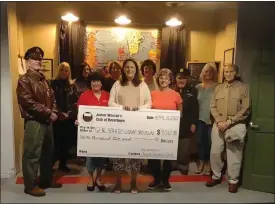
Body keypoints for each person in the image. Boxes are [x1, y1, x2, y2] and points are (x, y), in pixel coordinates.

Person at [16, 47, 62, 197]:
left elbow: (52, 98)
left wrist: (54, 111)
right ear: (27, 61)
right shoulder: (24, 80)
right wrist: (49, 113)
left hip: (47, 121)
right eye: (35, 59)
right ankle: (30, 186)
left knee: (48, 152)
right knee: (32, 154)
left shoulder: (44, 80)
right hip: (35, 121)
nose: (38, 61)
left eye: (39, 59)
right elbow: (28, 102)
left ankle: (45, 180)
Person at [108, 58, 151, 194]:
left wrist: (140, 108)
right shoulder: (117, 84)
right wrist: (122, 107)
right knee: (118, 156)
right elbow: (110, 102)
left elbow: (149, 102)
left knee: (135, 156)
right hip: (120, 124)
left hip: (137, 124)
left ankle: (133, 183)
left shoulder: (142, 85)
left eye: (132, 67)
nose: (129, 70)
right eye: (127, 67)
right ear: (123, 69)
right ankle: (118, 183)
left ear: (136, 69)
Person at [206, 64, 250, 193]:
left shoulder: (243, 88)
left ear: (236, 73)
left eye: (231, 72)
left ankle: (233, 181)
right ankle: (216, 176)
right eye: (226, 72)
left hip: (235, 124)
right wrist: (219, 121)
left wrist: (230, 121)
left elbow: (246, 108)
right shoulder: (218, 88)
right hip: (219, 124)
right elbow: (212, 106)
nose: (228, 74)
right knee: (215, 152)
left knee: (234, 154)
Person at [148, 68, 183, 191]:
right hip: (154, 129)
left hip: (169, 131)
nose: (163, 80)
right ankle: (156, 179)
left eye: (166, 78)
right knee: (153, 156)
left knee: (168, 157)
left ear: (170, 80)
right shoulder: (152, 94)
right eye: (161, 78)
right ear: (158, 79)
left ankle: (166, 180)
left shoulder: (176, 95)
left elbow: (180, 113)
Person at [77, 72, 109, 192]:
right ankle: (90, 178)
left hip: (104, 132)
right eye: (93, 81)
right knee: (90, 157)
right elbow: (80, 114)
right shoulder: (84, 96)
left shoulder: (107, 95)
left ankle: (99, 178)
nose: (96, 83)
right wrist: (78, 121)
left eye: (98, 81)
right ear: (90, 83)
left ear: (102, 83)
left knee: (101, 157)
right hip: (89, 133)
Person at [51, 62, 78, 172]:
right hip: (55, 118)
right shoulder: (51, 84)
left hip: (68, 119)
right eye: (62, 69)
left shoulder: (72, 86)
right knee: (55, 143)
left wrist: (69, 114)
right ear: (59, 70)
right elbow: (50, 101)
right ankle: (50, 166)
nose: (64, 72)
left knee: (66, 142)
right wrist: (58, 113)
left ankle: (63, 164)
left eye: (66, 70)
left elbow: (75, 102)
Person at [174, 68, 199, 175]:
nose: (181, 80)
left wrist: (194, 123)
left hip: (186, 122)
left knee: (185, 146)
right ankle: (173, 165)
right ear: (176, 78)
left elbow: (195, 108)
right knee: (173, 145)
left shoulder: (192, 90)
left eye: (184, 78)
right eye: (179, 78)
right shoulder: (171, 90)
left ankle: (183, 165)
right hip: (173, 123)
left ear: (188, 79)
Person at [195, 62, 218, 175]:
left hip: (212, 120)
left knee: (210, 143)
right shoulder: (198, 87)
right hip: (199, 119)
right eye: (206, 71)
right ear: (203, 73)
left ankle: (208, 164)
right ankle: (201, 163)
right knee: (200, 142)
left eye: (211, 71)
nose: (208, 73)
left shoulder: (217, 87)